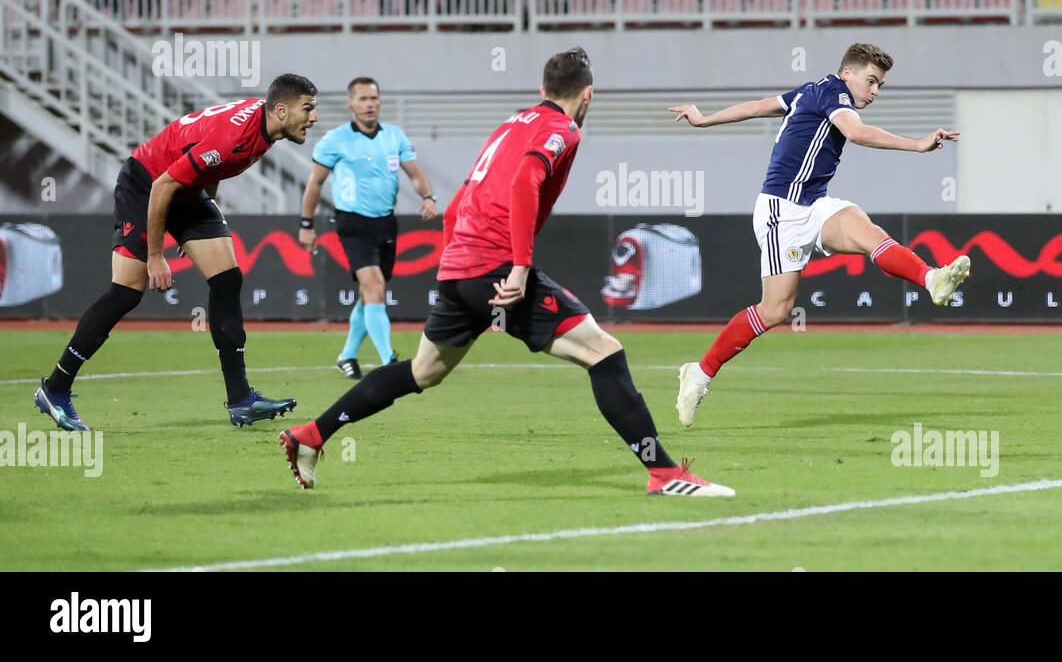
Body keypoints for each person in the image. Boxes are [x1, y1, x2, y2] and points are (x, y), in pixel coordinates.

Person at [278, 49, 734, 498]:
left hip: (462, 266)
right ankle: (664, 473)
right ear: (588, 94)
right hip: (496, 269)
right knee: (605, 354)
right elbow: (523, 184)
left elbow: (463, 197)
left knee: (422, 372)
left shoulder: (512, 123)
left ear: (542, 90)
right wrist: (517, 267)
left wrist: (457, 261)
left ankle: (311, 435)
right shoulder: (563, 129)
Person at [667, 44, 972, 426]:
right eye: (871, 81)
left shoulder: (809, 92)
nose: (875, 91)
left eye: (880, 85)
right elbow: (856, 133)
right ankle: (699, 372)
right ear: (848, 73)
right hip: (782, 210)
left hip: (815, 203)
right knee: (776, 310)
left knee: (866, 231)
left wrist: (704, 118)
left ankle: (933, 279)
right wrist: (915, 143)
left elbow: (758, 105)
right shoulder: (833, 93)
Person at [34, 76, 320, 433]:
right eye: (307, 108)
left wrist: (200, 226)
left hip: (187, 189)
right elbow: (162, 185)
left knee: (227, 279)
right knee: (126, 291)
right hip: (147, 183)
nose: (314, 117)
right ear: (281, 110)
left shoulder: (262, 128)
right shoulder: (232, 138)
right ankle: (55, 388)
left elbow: (211, 167)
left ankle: (240, 399)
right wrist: (156, 255)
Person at [299, 77, 437, 379]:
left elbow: (414, 173)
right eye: (362, 99)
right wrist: (306, 224)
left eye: (373, 98)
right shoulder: (335, 140)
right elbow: (315, 183)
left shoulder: (394, 136)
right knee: (374, 287)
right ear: (351, 104)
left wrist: (427, 196)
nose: (369, 104)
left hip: (385, 222)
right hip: (352, 221)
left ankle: (347, 356)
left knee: (370, 292)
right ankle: (390, 362)